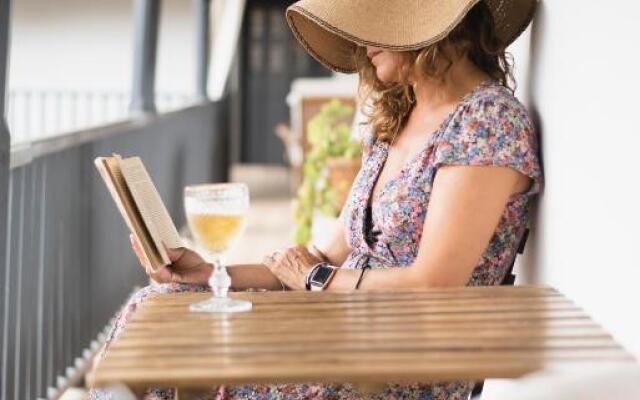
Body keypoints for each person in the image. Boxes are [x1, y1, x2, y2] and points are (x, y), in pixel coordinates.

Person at [91, 0, 542, 398]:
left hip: (400, 366)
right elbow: (323, 253)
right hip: (342, 332)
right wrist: (211, 272)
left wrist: (319, 278)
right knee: (159, 300)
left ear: (426, 26)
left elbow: (434, 284)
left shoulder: (487, 120)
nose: (363, 42)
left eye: (376, 20)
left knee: (195, 365)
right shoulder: (397, 121)